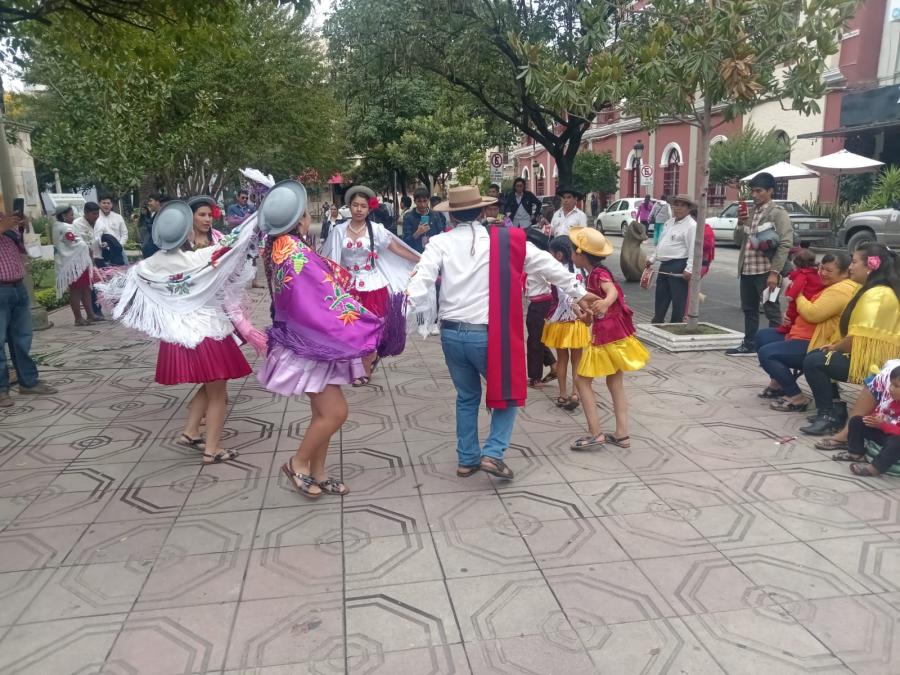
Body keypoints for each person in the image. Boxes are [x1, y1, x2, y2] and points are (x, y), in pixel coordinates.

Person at [406, 186, 598, 480]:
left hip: (451, 335)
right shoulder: (507, 240)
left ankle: (467, 459)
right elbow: (549, 264)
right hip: (489, 335)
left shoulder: (438, 242)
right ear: (483, 212)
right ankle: (493, 453)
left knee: (466, 396)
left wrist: (402, 312)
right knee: (507, 394)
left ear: (452, 216)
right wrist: (580, 293)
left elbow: (421, 282)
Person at [96, 200, 265, 464]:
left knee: (209, 386)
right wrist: (256, 217)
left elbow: (123, 288)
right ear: (186, 232)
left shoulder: (146, 267)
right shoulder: (197, 258)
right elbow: (233, 245)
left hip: (178, 336)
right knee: (218, 393)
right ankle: (212, 449)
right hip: (209, 332)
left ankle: (189, 432)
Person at [257, 181, 383, 498]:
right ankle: (298, 463)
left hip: (306, 340)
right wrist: (365, 323)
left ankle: (319, 472)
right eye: (304, 215)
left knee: (323, 414)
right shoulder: (296, 252)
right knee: (335, 413)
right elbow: (327, 297)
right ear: (298, 219)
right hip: (311, 343)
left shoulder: (277, 247)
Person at [321, 185, 420, 385]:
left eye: (363, 206)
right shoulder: (339, 231)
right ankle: (362, 363)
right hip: (349, 287)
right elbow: (330, 260)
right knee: (352, 329)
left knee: (373, 329)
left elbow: (396, 248)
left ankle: (364, 369)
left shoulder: (377, 230)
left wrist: (421, 259)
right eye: (355, 205)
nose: (358, 209)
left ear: (369, 209)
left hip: (374, 286)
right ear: (348, 207)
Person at [800, 243, 900, 435]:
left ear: (871, 265)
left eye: (854, 262)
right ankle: (836, 410)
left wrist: (836, 348)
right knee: (821, 356)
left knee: (814, 361)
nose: (850, 267)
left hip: (878, 364)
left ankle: (828, 415)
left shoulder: (876, 295)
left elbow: (859, 339)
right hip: (884, 361)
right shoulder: (881, 290)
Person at [569, 228, 649, 451]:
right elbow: (590, 317)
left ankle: (596, 433)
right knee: (615, 382)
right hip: (616, 333)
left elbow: (611, 291)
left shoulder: (597, 274)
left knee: (582, 381)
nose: (570, 255)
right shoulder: (593, 273)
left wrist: (604, 303)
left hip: (606, 335)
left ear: (580, 253)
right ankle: (622, 434)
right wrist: (584, 314)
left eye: (571, 251)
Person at [753, 253, 856, 411]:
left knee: (767, 353)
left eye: (829, 270)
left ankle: (796, 397)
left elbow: (812, 314)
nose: (822, 273)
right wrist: (790, 318)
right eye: (821, 268)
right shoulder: (823, 284)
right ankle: (779, 383)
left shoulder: (840, 291)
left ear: (844, 273)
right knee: (763, 336)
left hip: (816, 342)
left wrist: (798, 294)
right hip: (801, 333)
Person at [726, 173, 793, 356]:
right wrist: (740, 223)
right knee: (749, 310)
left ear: (770, 191)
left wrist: (774, 272)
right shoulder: (751, 212)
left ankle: (775, 346)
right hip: (747, 270)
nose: (754, 195)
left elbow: (785, 244)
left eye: (759, 191)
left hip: (766, 271)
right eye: (753, 191)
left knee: (771, 310)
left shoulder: (778, 213)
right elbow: (739, 240)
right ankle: (749, 343)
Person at [0, 212, 57, 407]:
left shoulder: (7, 221)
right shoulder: (4, 224)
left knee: (22, 339)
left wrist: (23, 229)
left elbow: (25, 250)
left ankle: (28, 382)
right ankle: (1, 390)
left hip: (17, 287)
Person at [544, 235, 590, 410]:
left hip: (560, 321)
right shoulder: (581, 272)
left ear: (559, 255)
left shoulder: (558, 272)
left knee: (562, 358)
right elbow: (582, 294)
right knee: (577, 359)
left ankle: (562, 394)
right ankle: (575, 393)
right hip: (578, 322)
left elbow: (566, 298)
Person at [835, 361, 900, 477]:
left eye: (896, 386)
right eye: (891, 384)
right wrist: (875, 418)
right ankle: (855, 452)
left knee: (896, 442)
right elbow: (879, 413)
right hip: (885, 434)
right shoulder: (892, 401)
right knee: (857, 420)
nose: (891, 389)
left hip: (895, 439)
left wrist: (882, 425)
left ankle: (875, 468)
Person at [646, 194, 697, 324]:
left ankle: (676, 323)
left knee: (678, 298)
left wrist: (689, 268)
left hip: (679, 264)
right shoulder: (669, 222)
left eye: (682, 206)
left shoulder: (691, 225)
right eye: (676, 205)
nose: (678, 208)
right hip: (665, 264)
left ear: (688, 208)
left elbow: (692, 249)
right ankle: (658, 320)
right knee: (661, 295)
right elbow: (662, 242)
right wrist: (652, 259)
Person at [51, 205, 98, 326]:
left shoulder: (61, 227)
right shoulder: (64, 228)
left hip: (77, 263)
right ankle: (78, 318)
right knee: (76, 291)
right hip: (73, 264)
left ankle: (90, 314)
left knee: (86, 288)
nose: (73, 217)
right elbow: (75, 243)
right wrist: (87, 246)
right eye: (71, 215)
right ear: (64, 216)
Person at [524, 228, 558, 388]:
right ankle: (553, 365)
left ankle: (535, 377)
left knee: (534, 341)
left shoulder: (537, 262)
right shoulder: (537, 261)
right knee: (537, 337)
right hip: (539, 303)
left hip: (540, 303)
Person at [776, 249, 823, 336]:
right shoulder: (815, 273)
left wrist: (790, 296)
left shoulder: (802, 274)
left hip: (801, 299)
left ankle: (786, 328)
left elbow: (797, 285)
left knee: (791, 313)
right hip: (811, 299)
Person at [402, 188, 445, 253]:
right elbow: (406, 242)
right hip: (416, 255)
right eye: (419, 201)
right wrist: (417, 233)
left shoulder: (435, 215)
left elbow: (441, 235)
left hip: (433, 253)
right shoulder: (408, 217)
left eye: (425, 201)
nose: (422, 204)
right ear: (414, 201)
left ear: (428, 200)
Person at [95, 194, 129, 265]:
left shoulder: (118, 217)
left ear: (112, 205)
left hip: (118, 249)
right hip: (102, 251)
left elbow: (124, 234)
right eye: (104, 203)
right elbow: (95, 235)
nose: (106, 205)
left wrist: (118, 245)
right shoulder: (95, 217)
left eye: (108, 203)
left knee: (124, 270)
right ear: (99, 204)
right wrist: (101, 244)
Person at [139, 193, 166, 258]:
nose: (149, 203)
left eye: (151, 201)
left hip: (158, 250)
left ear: (157, 202)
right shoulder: (153, 214)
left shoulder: (163, 214)